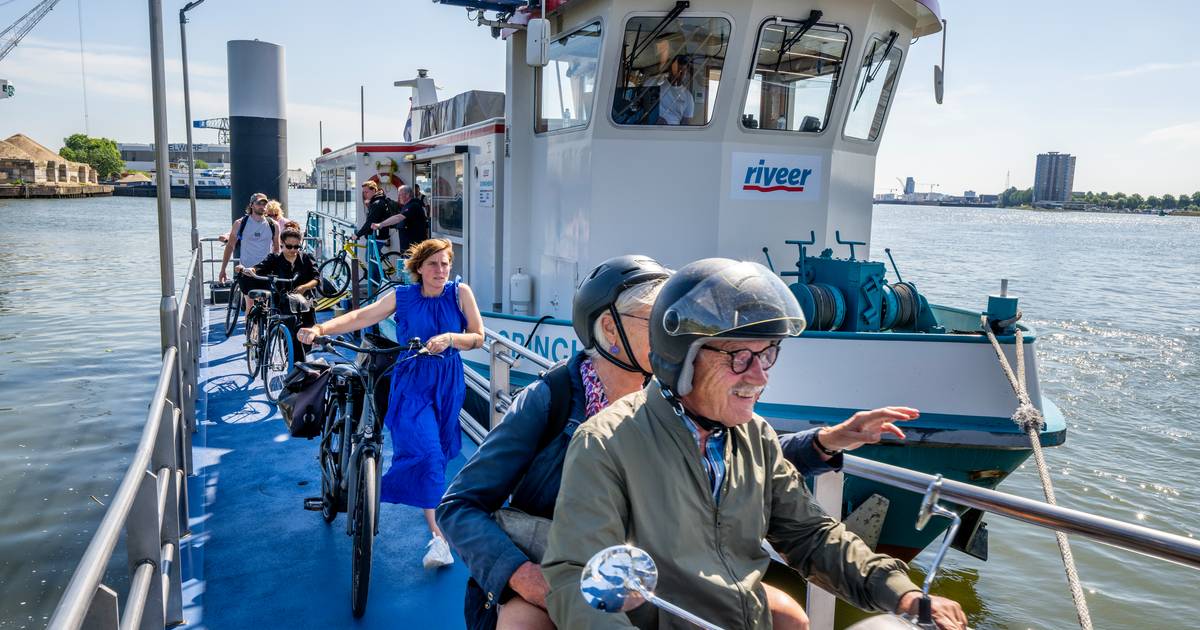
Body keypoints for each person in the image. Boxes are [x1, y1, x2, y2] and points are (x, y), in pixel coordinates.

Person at [437, 256, 914, 630]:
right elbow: (460, 506)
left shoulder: (697, 405)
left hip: (658, 567)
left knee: (787, 615)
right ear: (611, 330)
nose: (679, 324)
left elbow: (718, 469)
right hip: (558, 563)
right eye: (660, 317)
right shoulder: (556, 404)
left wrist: (823, 443)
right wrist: (524, 577)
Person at [541, 258, 968, 630]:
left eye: (767, 354)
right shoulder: (607, 443)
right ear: (682, 356)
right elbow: (577, 579)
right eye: (739, 357)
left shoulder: (754, 436)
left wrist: (903, 595)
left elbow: (812, 537)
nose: (760, 376)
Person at [297, 238, 484, 569]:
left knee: (437, 456)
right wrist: (320, 327)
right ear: (419, 268)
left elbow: (478, 336)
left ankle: (413, 512)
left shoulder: (460, 293)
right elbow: (361, 316)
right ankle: (439, 539)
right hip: (411, 384)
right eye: (433, 264)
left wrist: (451, 339)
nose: (440, 270)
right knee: (427, 453)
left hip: (448, 384)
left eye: (445, 264)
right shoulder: (403, 297)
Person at [242, 228, 318, 357]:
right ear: (282, 244)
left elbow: (316, 279)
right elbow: (260, 267)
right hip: (282, 301)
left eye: (296, 247)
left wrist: (305, 287)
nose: (293, 250)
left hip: (304, 302)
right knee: (290, 333)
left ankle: (299, 359)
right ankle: (293, 362)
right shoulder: (274, 258)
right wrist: (250, 270)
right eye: (289, 246)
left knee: (308, 336)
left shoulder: (306, 258)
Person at [218, 192, 281, 313]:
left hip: (265, 271)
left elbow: (276, 249)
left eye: (264, 203)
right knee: (250, 304)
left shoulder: (273, 225)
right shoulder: (240, 223)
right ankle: (250, 330)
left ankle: (263, 329)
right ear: (252, 205)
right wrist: (223, 270)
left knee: (266, 306)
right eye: (259, 203)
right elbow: (230, 246)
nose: (262, 206)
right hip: (246, 270)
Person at [373, 184, 430, 254]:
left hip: (414, 245)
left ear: (407, 195)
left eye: (400, 195)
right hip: (408, 245)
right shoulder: (407, 206)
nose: (399, 197)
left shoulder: (413, 205)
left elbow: (398, 217)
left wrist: (381, 224)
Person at [644, 54, 695, 125]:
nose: (678, 74)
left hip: (673, 133)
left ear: (686, 74)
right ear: (670, 69)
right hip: (650, 128)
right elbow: (640, 108)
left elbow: (686, 123)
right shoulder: (653, 83)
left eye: (682, 72)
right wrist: (654, 118)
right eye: (676, 70)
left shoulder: (688, 97)